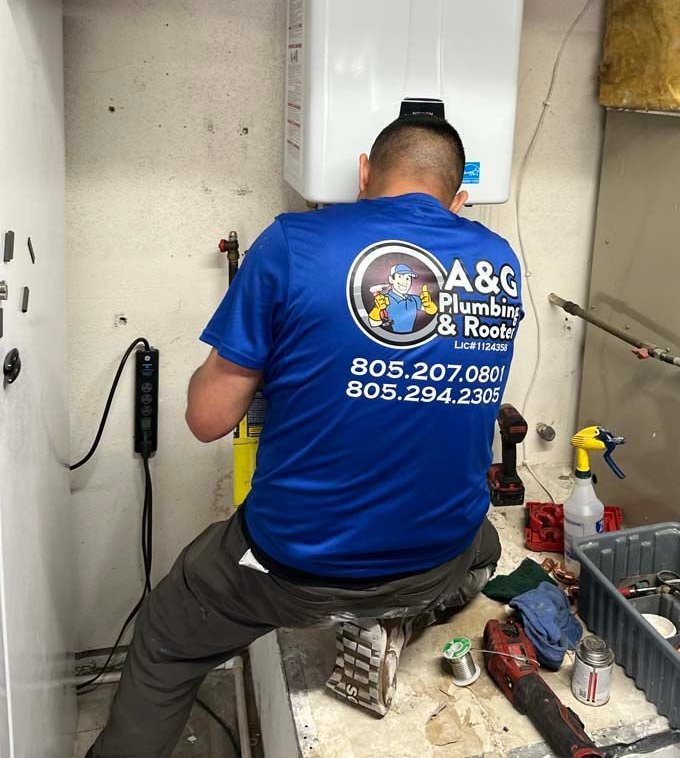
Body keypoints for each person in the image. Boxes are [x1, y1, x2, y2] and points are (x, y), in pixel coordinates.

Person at [88, 114, 523, 757]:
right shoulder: (500, 264)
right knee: (483, 547)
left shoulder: (295, 242)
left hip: (296, 567)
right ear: (458, 200)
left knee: (164, 638)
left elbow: (206, 421)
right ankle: (393, 614)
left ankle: (365, 611)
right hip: (441, 553)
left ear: (363, 173)